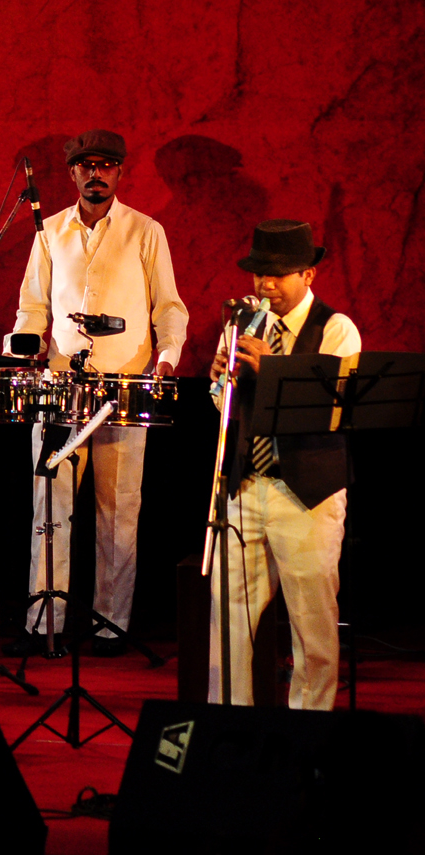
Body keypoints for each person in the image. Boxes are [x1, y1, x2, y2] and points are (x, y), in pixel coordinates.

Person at [4, 129, 189, 657]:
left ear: (120, 173)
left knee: (118, 511)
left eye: (106, 165)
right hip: (60, 387)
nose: (96, 174)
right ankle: (45, 622)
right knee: (50, 508)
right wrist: (25, 349)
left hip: (124, 389)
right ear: (72, 174)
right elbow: (31, 308)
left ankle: (111, 625)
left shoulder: (145, 231)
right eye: (86, 165)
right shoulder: (49, 232)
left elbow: (169, 308)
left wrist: (167, 358)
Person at [207, 220, 359, 709]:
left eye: (278, 274)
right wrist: (221, 382)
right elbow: (223, 408)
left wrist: (269, 367)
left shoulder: (335, 329)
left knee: (311, 623)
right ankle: (229, 722)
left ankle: (309, 726)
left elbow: (331, 411)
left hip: (307, 493)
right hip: (246, 485)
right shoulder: (241, 324)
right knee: (229, 615)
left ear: (308, 274)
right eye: (259, 274)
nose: (265, 284)